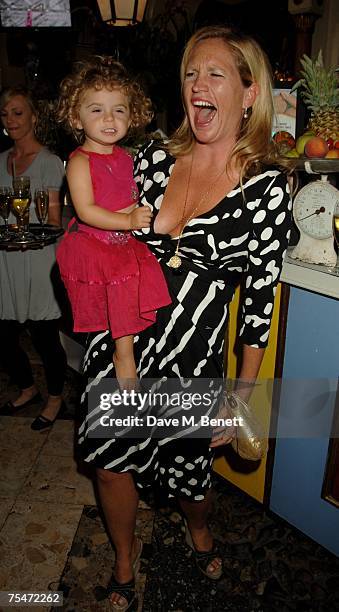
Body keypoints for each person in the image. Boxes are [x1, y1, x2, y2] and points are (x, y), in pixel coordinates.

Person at [78, 26, 292, 611]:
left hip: (191, 361)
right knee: (111, 465)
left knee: (190, 481)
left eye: (215, 74)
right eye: (191, 74)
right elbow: (98, 224)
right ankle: (123, 563)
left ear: (249, 92)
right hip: (121, 341)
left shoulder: (266, 187)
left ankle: (199, 528)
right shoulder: (149, 157)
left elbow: (258, 300)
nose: (198, 86)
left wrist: (243, 392)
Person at [56, 57, 171, 387]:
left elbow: (129, 197)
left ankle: (133, 351)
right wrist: (127, 218)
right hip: (95, 245)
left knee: (143, 288)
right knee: (124, 297)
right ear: (76, 118)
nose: (109, 118)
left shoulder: (126, 157)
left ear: (131, 116)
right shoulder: (79, 161)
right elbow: (86, 210)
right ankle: (125, 363)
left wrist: (142, 212)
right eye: (96, 109)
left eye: (119, 109)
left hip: (122, 242)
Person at [0, 87, 67, 431]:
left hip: (39, 260)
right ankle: (27, 388)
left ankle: (55, 397)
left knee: (43, 336)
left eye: (18, 112)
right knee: (4, 335)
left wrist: (30, 232)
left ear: (33, 117)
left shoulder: (50, 162)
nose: (10, 119)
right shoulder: (0, 161)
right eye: (5, 114)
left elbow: (54, 221)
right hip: (5, 260)